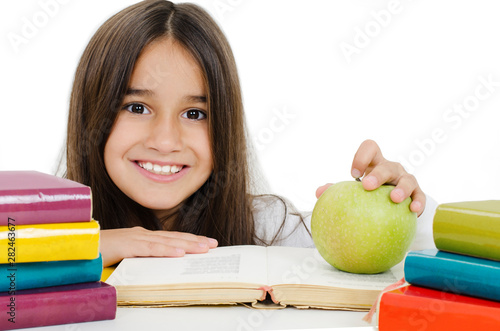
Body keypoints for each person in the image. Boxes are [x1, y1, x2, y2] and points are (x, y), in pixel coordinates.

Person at [64, 0, 434, 268]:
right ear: (90, 114)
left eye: (195, 113)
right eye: (137, 108)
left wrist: (402, 203)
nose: (165, 141)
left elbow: (431, 251)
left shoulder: (268, 228)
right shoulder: (37, 224)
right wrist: (76, 246)